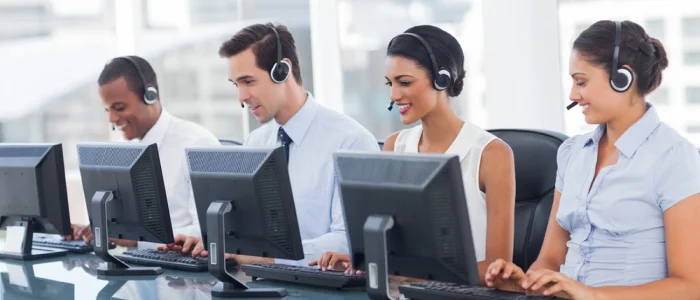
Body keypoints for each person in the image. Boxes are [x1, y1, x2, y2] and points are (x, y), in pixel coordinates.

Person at [486, 20, 700, 299]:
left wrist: (593, 294)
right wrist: (526, 283)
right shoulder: (573, 153)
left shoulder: (674, 157)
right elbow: (550, 260)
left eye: (581, 82)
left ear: (622, 78)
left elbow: (691, 286)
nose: (574, 95)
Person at [309, 24, 516, 285]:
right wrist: (365, 262)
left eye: (404, 82)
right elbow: (393, 248)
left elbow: (498, 269)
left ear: (442, 79)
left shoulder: (491, 154)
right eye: (390, 83)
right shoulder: (395, 146)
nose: (394, 95)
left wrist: (414, 277)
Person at [158, 23, 379, 266]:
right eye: (236, 84)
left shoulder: (350, 141)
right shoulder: (256, 143)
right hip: (258, 282)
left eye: (248, 81)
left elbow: (347, 241)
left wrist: (267, 257)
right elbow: (243, 228)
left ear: (282, 71)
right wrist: (203, 238)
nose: (241, 97)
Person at [66, 55, 221, 246]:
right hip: (137, 268)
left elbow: (207, 233)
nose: (112, 119)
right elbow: (125, 229)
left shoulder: (197, 143)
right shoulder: (124, 152)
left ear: (150, 96)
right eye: (108, 110)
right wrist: (92, 230)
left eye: (119, 107)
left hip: (183, 273)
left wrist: (131, 239)